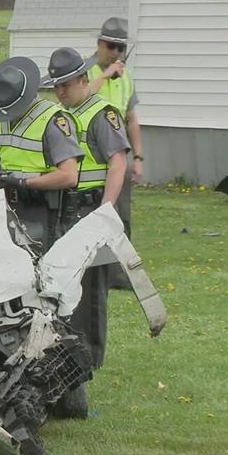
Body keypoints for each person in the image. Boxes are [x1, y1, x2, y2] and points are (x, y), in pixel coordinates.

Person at [44, 47, 130, 416]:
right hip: (62, 212)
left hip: (90, 210)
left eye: (65, 85)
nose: (60, 92)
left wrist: (107, 210)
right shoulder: (62, 115)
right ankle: (62, 389)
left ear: (82, 80)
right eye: (56, 87)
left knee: (88, 303)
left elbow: (118, 162)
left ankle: (79, 392)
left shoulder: (101, 114)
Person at [0, 56, 84, 251]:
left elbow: (69, 176)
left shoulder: (53, 121)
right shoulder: (1, 116)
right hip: (6, 207)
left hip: (43, 210)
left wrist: (23, 183)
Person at [87, 17, 143, 288]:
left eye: (120, 48)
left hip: (118, 154)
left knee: (121, 215)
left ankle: (120, 275)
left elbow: (132, 118)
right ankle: (93, 270)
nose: (116, 53)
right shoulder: (86, 71)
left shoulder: (127, 78)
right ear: (99, 43)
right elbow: (80, 98)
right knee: (94, 212)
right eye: (111, 46)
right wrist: (104, 76)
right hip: (90, 156)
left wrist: (139, 158)